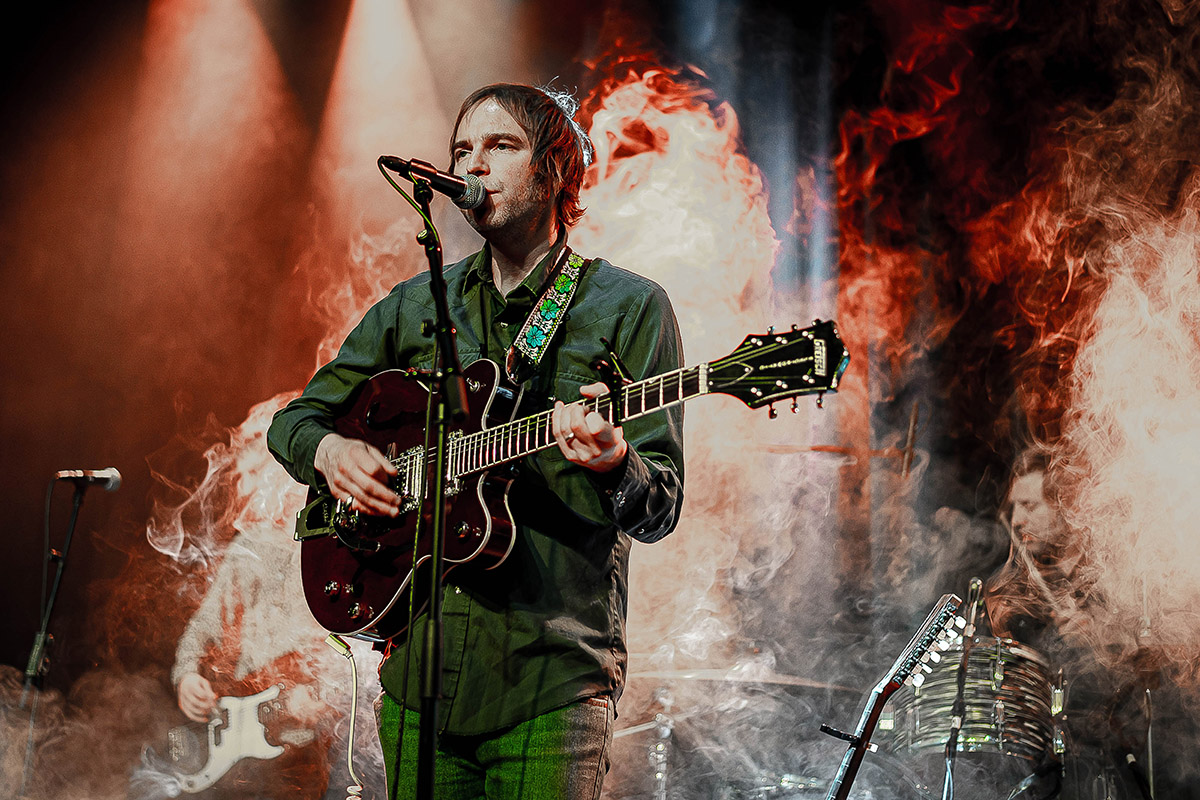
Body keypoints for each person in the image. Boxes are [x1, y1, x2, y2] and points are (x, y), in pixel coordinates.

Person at [267, 83, 685, 800]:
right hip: (419, 679)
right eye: (463, 149)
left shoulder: (627, 306)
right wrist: (332, 454)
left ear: (554, 170)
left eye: (500, 147)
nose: (473, 164)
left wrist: (617, 463)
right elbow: (296, 421)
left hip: (548, 683)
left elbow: (661, 505)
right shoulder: (417, 306)